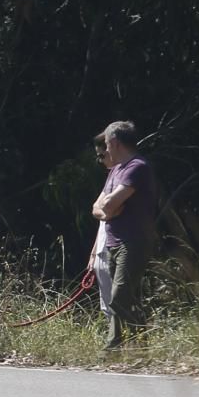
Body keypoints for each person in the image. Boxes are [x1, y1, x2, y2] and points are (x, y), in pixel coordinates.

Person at [91, 121, 157, 350]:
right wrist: (108, 209)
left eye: (107, 145)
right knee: (125, 298)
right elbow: (98, 207)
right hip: (112, 242)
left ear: (115, 143)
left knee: (119, 297)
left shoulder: (136, 167)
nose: (105, 151)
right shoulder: (115, 170)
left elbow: (108, 205)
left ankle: (120, 347)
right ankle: (132, 349)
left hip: (133, 241)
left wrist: (108, 208)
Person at [87, 133, 115, 320]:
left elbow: (105, 211)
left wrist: (101, 209)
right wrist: (93, 253)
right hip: (101, 251)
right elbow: (101, 215)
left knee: (118, 304)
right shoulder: (112, 176)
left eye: (102, 155)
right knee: (106, 306)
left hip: (114, 249)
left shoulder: (127, 174)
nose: (100, 161)